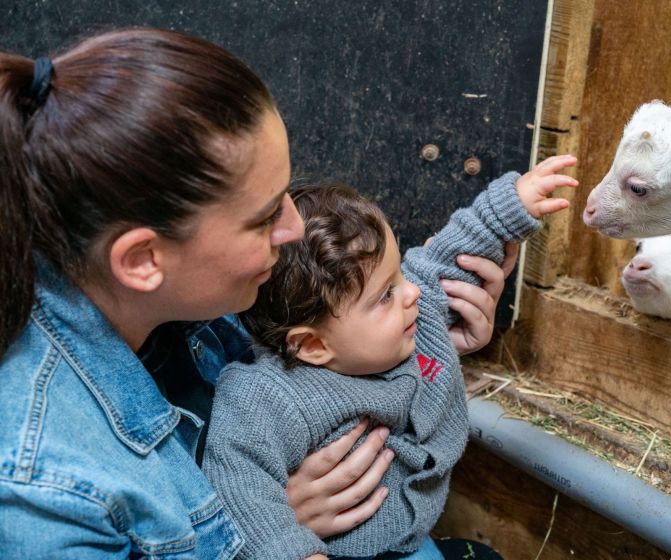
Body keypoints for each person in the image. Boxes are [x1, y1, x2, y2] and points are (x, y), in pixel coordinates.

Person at [0, 28, 515, 558]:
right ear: (142, 260)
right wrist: (260, 528)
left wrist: (429, 346)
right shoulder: (40, 492)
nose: (293, 229)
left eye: (285, 197)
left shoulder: (200, 296)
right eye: (265, 217)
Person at [203, 155, 578, 560]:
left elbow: (447, 258)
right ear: (312, 346)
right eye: (385, 294)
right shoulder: (264, 396)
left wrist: (510, 206)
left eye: (398, 275)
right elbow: (240, 486)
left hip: (411, 541)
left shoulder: (411, 315)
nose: (411, 292)